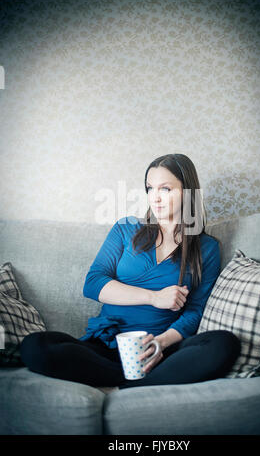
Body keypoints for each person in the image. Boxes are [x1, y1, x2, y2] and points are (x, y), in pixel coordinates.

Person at [20, 153, 240, 392]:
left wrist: (160, 343)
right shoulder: (126, 229)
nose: (154, 197)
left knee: (224, 343)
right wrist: (154, 297)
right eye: (149, 188)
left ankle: (136, 381)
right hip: (107, 348)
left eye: (165, 189)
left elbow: (197, 310)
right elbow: (93, 284)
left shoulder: (206, 247)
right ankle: (131, 380)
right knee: (35, 346)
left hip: (162, 351)